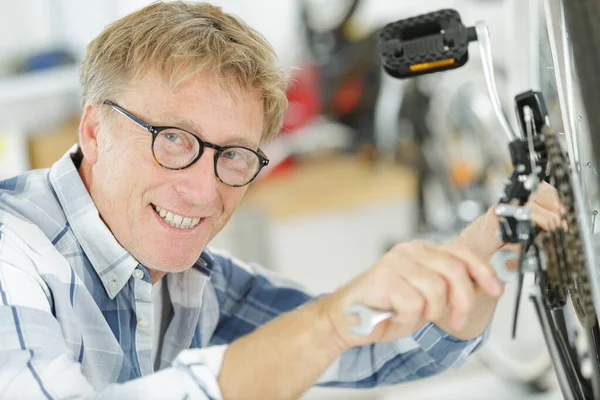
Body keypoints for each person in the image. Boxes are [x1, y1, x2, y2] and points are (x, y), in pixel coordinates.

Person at [0, 2, 562, 399]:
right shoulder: (13, 258)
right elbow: (329, 330)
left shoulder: (189, 280)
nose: (203, 190)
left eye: (234, 155)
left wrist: (478, 256)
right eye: (172, 139)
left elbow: (376, 349)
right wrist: (325, 323)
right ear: (95, 132)